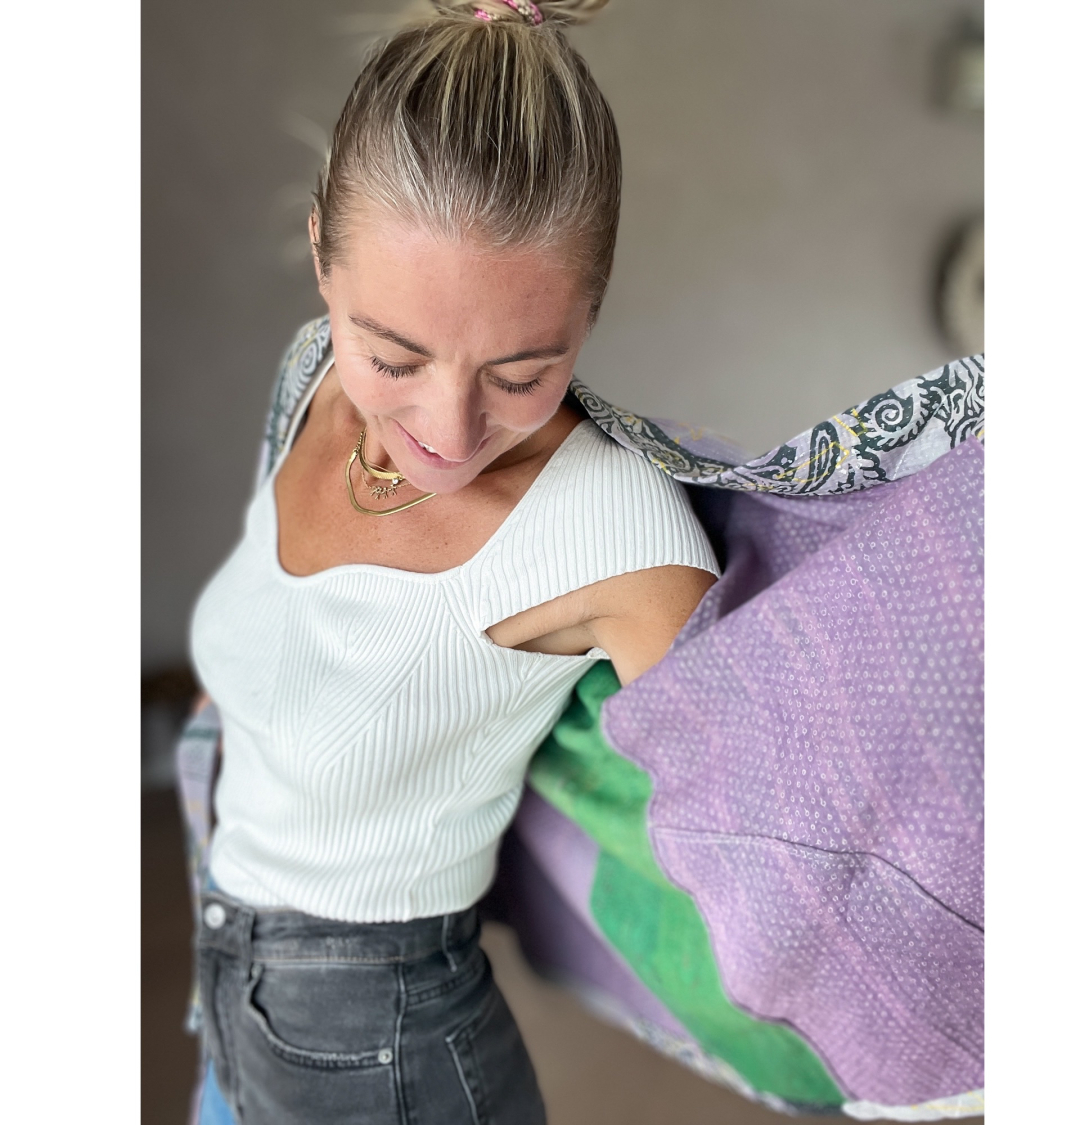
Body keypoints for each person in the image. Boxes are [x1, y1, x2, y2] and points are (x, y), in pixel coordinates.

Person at [187, 3, 722, 1121]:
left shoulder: (611, 525)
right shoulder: (311, 378)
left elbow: (775, 856)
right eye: (394, 356)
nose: (448, 427)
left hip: (391, 1063)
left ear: (590, 311)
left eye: (521, 374)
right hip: (227, 994)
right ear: (320, 255)